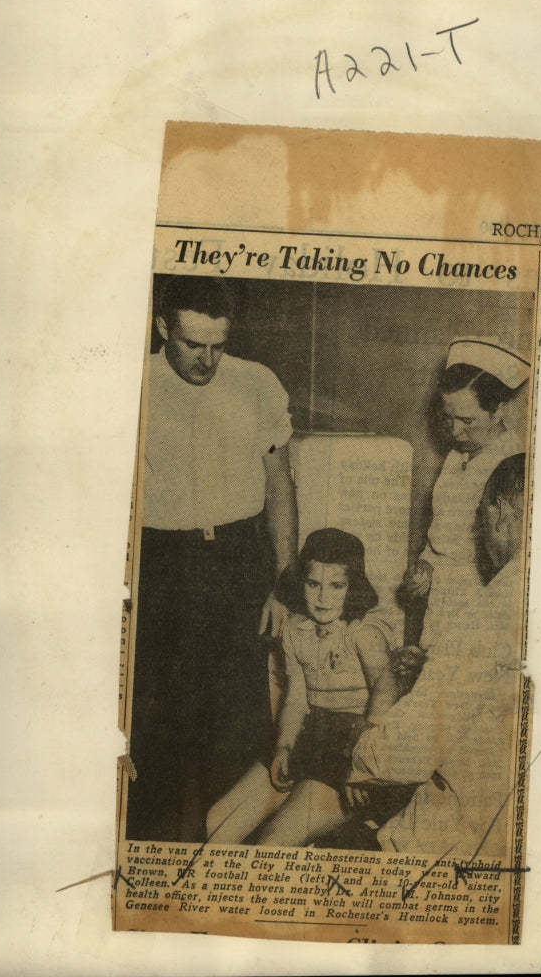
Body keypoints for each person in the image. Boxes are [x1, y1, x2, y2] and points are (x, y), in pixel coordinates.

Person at [125, 275, 298, 842]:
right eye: (193, 344)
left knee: (238, 722)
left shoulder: (256, 383)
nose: (207, 359)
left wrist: (284, 582)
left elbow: (280, 487)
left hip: (237, 562)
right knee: (156, 725)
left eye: (218, 345)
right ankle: (153, 858)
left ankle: (226, 861)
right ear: (161, 328)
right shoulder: (133, 384)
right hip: (162, 565)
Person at [347, 453, 528, 860]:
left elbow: (409, 747)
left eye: (482, 518)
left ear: (500, 513)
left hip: (459, 843)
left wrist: (360, 752)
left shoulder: (491, 609)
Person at [206, 528, 403, 847]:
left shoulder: (363, 632)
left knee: (274, 842)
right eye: (314, 584)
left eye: (337, 586)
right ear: (302, 582)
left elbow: (387, 689)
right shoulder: (296, 630)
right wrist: (283, 745)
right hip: (309, 735)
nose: (324, 598)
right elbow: (296, 697)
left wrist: (364, 760)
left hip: (355, 745)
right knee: (217, 821)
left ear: (353, 586)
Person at [401, 338, 531, 652]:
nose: (455, 432)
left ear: (499, 410)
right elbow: (443, 539)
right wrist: (423, 570)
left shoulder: (513, 466)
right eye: (448, 418)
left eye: (467, 421)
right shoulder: (458, 455)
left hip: (478, 618)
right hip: (441, 612)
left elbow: (511, 570)